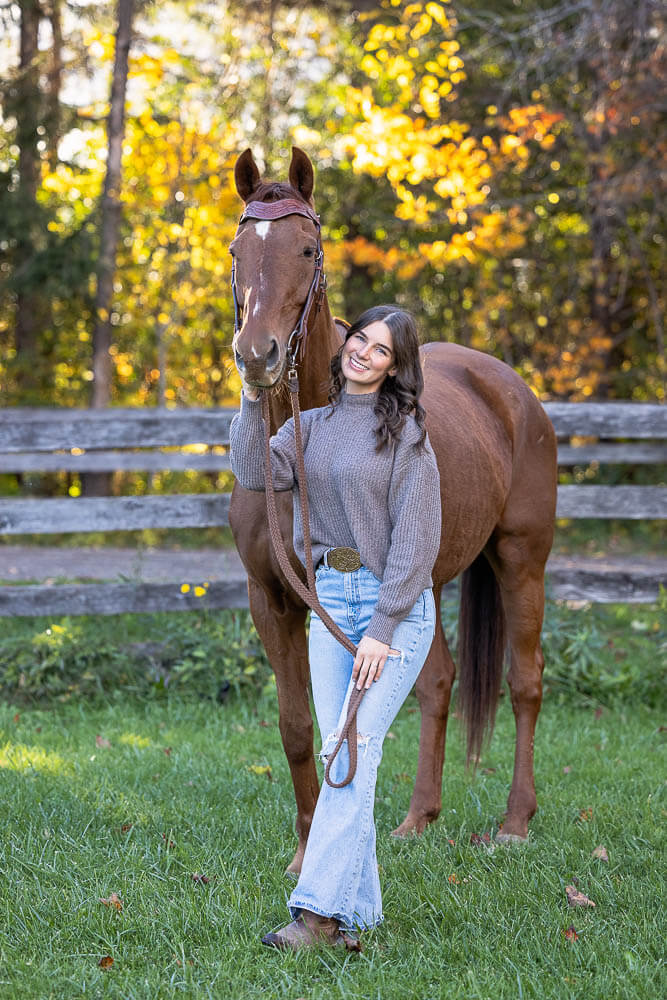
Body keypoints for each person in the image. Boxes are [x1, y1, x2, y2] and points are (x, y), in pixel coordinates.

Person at [230, 304, 441, 951]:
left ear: (394, 367)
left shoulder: (405, 434)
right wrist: (247, 395)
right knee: (337, 753)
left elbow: (416, 539)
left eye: (381, 350)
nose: (364, 354)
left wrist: (381, 627)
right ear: (344, 343)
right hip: (330, 601)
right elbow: (249, 472)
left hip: (392, 613)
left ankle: (316, 917)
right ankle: (361, 916)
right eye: (361, 341)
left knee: (351, 753)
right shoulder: (310, 427)